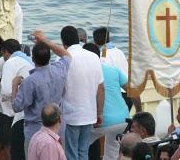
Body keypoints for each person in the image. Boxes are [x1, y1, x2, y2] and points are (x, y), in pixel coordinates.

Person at [11, 30, 71, 157]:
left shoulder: (29, 82)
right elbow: (66, 54)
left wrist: (14, 86)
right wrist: (45, 41)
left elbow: (16, 107)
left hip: (35, 131)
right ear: (49, 57)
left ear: (32, 58)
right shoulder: (59, 70)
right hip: (57, 128)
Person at [61, 25, 104, 160]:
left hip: (70, 115)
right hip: (89, 114)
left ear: (63, 42)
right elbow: (101, 88)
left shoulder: (63, 59)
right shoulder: (93, 57)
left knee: (71, 154)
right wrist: (99, 113)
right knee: (83, 153)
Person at [84, 43, 130, 160]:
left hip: (102, 121)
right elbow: (131, 90)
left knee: (81, 145)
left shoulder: (86, 73)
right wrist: (139, 111)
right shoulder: (113, 69)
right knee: (112, 147)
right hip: (123, 119)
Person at [0, 39, 34, 160]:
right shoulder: (29, 60)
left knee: (17, 153)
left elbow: (6, 90)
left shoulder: (11, 62)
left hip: (21, 116)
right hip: (34, 114)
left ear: (6, 52)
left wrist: (7, 96)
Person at [93, 27, 142, 112]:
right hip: (129, 94)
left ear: (95, 41)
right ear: (109, 37)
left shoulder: (102, 55)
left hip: (118, 95)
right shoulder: (119, 52)